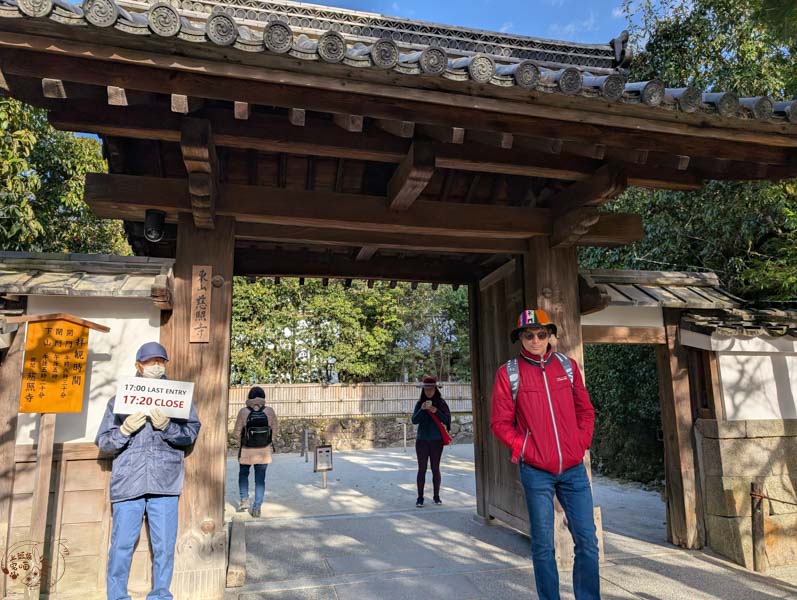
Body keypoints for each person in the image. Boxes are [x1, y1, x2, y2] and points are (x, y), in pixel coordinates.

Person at [490, 309, 598, 600]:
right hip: (536, 471)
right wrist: (526, 448)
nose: (536, 340)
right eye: (529, 335)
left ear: (550, 335)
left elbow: (585, 411)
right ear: (520, 338)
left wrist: (580, 443)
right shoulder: (509, 373)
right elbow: (500, 424)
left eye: (541, 333)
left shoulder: (567, 367)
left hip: (573, 468)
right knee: (542, 544)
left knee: (587, 540)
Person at [96, 341, 201, 600]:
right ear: (138, 365)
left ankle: (161, 595)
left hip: (165, 482)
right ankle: (117, 596)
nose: (156, 366)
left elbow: (190, 434)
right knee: (121, 546)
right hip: (128, 482)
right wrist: (123, 430)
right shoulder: (119, 400)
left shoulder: (178, 399)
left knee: (164, 546)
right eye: (150, 362)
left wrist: (168, 427)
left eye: (160, 361)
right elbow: (104, 442)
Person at [233, 386, 278, 518]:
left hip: (246, 450)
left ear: (249, 397)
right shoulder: (269, 411)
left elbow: (236, 433)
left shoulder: (243, 412)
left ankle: (244, 499)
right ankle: (257, 507)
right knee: (260, 480)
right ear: (263, 397)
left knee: (243, 475)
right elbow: (275, 431)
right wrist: (266, 441)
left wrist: (243, 439)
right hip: (263, 452)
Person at [411, 375, 451, 508]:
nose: (429, 391)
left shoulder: (441, 403)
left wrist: (436, 411)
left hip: (436, 440)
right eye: (426, 389)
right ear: (423, 390)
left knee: (435, 468)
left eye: (431, 389)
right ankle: (420, 497)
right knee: (421, 469)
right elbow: (414, 420)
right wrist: (423, 410)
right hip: (422, 440)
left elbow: (447, 419)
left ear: (435, 389)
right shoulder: (419, 404)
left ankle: (436, 496)